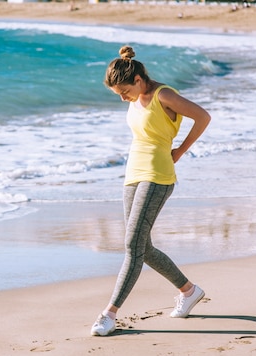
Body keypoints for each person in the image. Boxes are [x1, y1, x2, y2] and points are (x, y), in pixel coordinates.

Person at [91, 45, 211, 336]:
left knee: (132, 244)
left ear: (138, 80)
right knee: (142, 248)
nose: (122, 98)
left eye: (124, 91)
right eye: (117, 94)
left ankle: (109, 314)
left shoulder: (164, 95)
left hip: (158, 175)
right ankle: (189, 291)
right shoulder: (133, 95)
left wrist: (180, 150)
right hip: (133, 174)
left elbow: (203, 117)